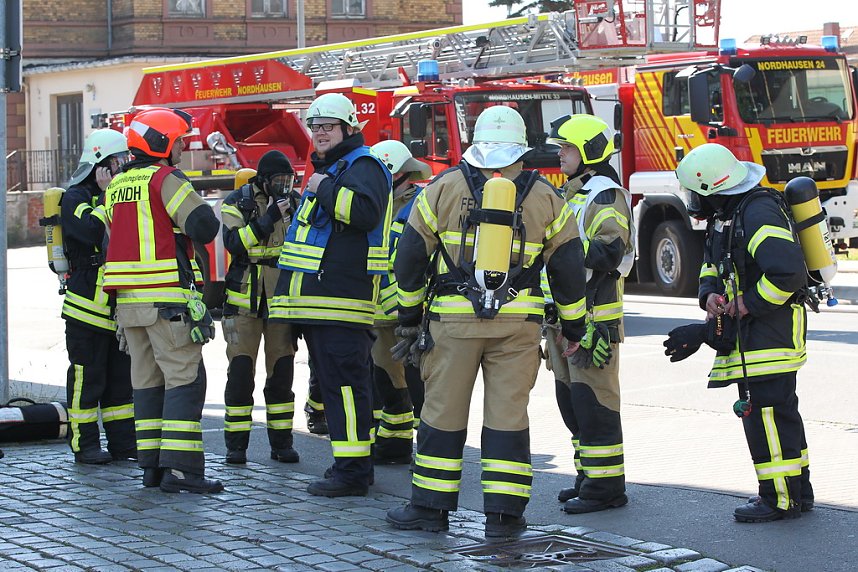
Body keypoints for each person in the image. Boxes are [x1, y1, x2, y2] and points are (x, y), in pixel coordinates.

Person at [385, 106, 587, 538]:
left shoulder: (443, 187)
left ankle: (430, 508)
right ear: (522, 145)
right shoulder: (547, 196)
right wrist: (574, 328)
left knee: (441, 414)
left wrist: (408, 315)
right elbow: (568, 267)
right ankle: (504, 515)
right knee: (508, 418)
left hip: (452, 325)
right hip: (518, 325)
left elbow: (410, 258)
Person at [666, 142, 813, 522]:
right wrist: (708, 295)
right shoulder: (727, 216)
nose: (692, 199)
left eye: (694, 191)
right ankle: (798, 491)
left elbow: (788, 273)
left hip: (771, 336)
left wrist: (747, 303)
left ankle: (779, 499)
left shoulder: (758, 212)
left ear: (712, 188)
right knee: (779, 416)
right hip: (753, 336)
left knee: (767, 417)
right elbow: (712, 265)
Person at [270, 92, 392, 497]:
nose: (319, 132)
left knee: (346, 389)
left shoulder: (363, 165)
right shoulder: (332, 166)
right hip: (318, 305)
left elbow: (364, 214)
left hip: (341, 302)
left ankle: (354, 473)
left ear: (349, 128)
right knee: (335, 388)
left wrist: (322, 188)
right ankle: (347, 466)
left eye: (328, 126)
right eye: (315, 126)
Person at [102, 107, 223, 494]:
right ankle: (183, 470)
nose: (182, 151)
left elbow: (118, 232)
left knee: (147, 383)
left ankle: (151, 468)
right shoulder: (165, 179)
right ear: (162, 143)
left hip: (128, 305)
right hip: (166, 301)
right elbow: (204, 225)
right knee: (185, 379)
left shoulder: (118, 184)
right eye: (179, 143)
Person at [543, 114, 634, 514]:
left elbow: (610, 251)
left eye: (565, 148)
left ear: (587, 153)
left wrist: (561, 252)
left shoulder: (604, 194)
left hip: (594, 320)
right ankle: (587, 476)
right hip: (564, 317)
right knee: (572, 402)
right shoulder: (571, 192)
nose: (559, 154)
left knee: (595, 403)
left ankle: (606, 488)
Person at [61, 129, 137, 465]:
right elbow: (90, 233)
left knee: (121, 387)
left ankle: (124, 446)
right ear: (99, 165)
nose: (122, 168)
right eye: (116, 162)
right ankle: (85, 445)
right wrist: (107, 198)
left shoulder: (119, 194)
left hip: (117, 310)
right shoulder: (75, 198)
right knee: (86, 380)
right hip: (85, 310)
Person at [220, 153, 300, 465]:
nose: (284, 188)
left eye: (288, 181)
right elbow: (235, 243)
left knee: (281, 373)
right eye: (278, 182)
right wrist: (267, 220)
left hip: (281, 300)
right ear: (263, 180)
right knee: (240, 373)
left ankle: (282, 444)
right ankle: (236, 446)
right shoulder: (237, 202)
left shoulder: (295, 201)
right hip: (243, 302)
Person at [368, 139, 431, 464]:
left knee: (419, 383)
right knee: (386, 379)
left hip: (411, 313)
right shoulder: (382, 203)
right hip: (380, 313)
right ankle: (394, 444)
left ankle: (429, 453)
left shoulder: (417, 205)